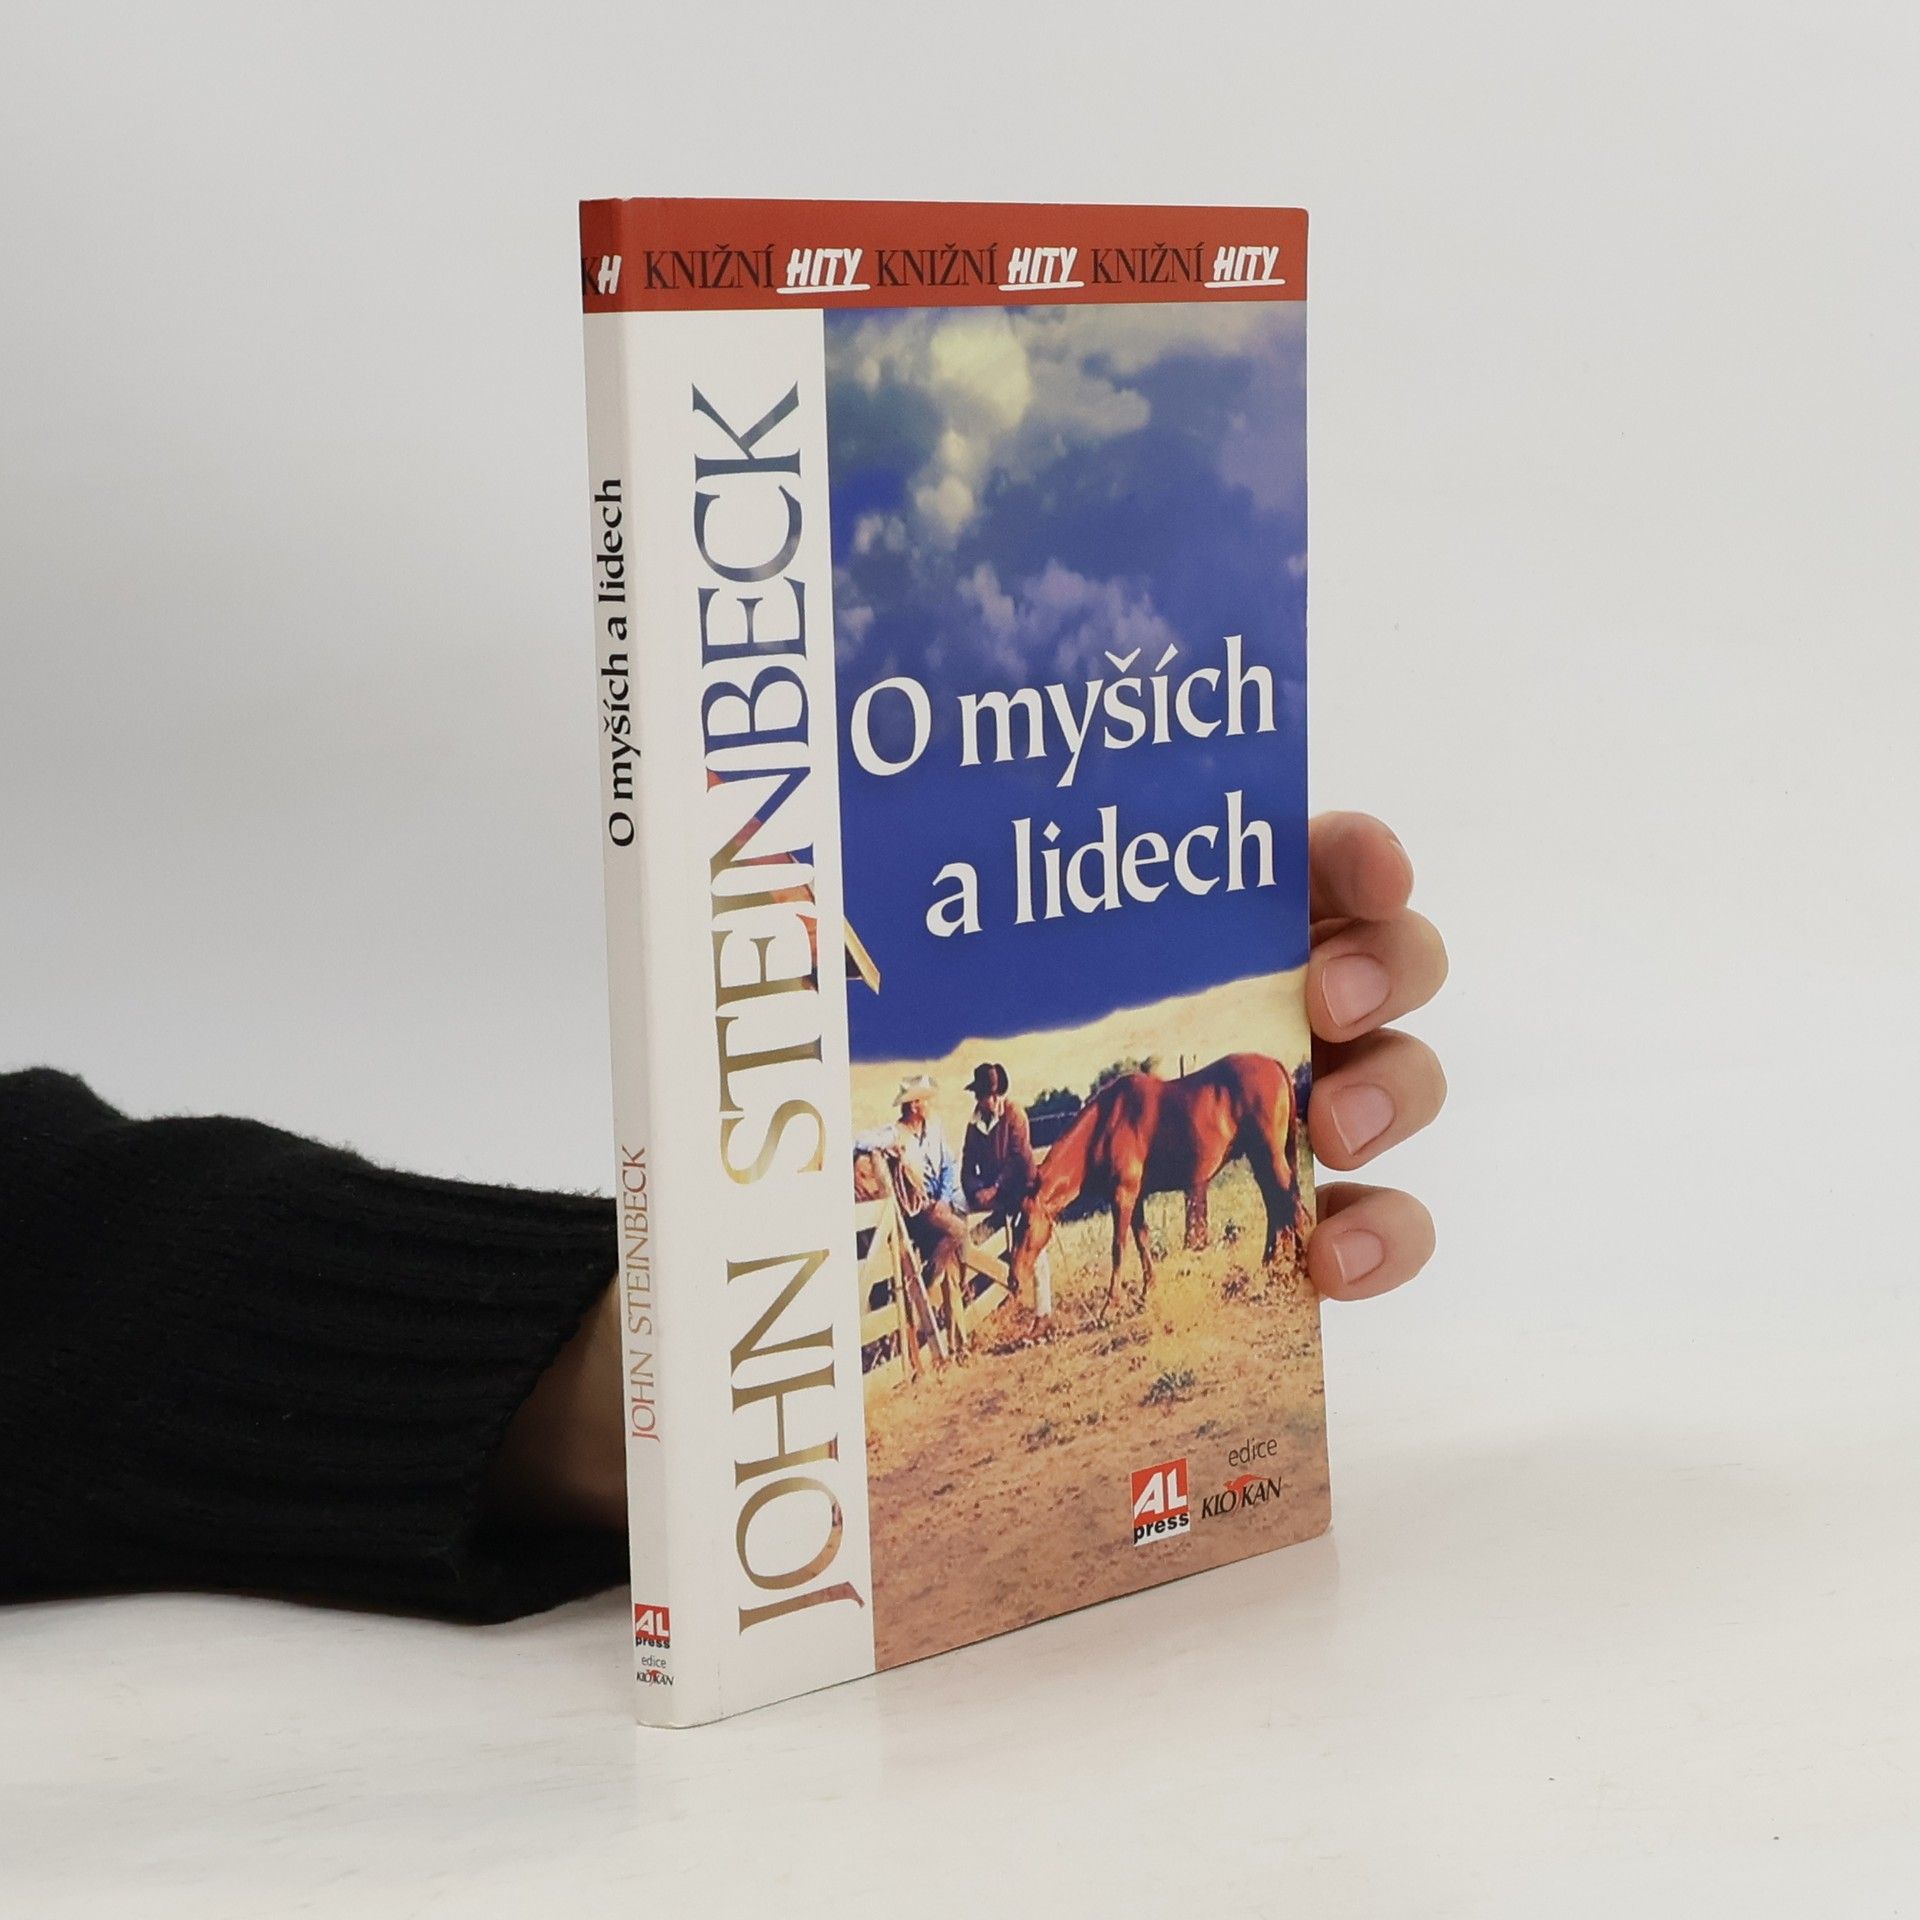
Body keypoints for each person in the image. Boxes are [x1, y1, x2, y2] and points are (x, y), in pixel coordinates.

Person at [0, 812, 1446, 1620]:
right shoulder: (979, 1130)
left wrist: (672, 1362)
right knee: (966, 1233)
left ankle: (1049, 1303)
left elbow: (64, 1233)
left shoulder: (1006, 1125)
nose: (983, 1096)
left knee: (996, 1229)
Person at [854, 1074, 972, 1336]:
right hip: (916, 1210)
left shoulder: (935, 1128)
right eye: (924, 1100)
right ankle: (929, 1279)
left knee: (955, 1260)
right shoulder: (895, 1133)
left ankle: (954, 1334)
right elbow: (859, 1141)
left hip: (936, 1204)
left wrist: (944, 1199)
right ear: (915, 1105)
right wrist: (888, 1147)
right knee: (958, 1230)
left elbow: (948, 1165)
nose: (928, 1104)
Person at [961, 1062, 1038, 1224]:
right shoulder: (974, 1125)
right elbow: (967, 1163)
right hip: (991, 1188)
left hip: (1021, 1185)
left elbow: (1018, 1159)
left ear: (996, 1095)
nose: (981, 1101)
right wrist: (975, 1190)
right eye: (979, 1096)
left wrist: (995, 1188)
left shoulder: (1014, 1114)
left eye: (985, 1096)